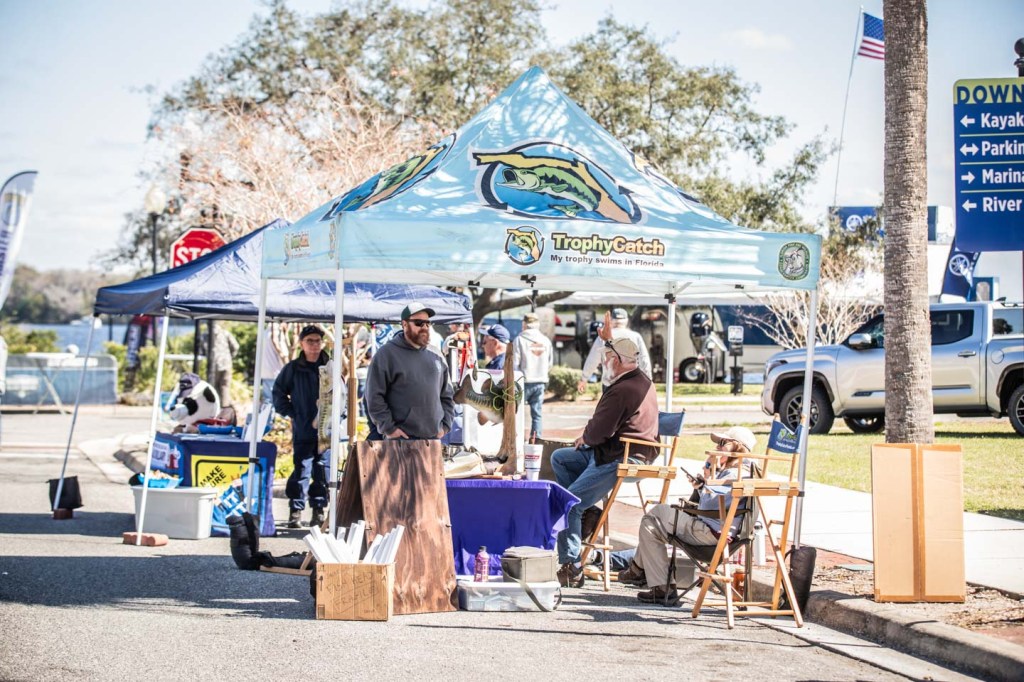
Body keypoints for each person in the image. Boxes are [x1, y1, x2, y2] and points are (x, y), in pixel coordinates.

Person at [551, 337, 659, 587]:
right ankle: (587, 509)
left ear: (618, 360)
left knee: (568, 503)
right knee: (561, 458)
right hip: (622, 451)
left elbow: (599, 430)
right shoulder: (640, 381)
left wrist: (585, 438)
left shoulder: (624, 388)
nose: (603, 362)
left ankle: (571, 566)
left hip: (620, 456)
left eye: (607, 357)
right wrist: (589, 439)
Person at [620, 426, 757, 605]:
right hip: (719, 533)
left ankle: (643, 573)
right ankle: (647, 577)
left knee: (656, 513)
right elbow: (717, 504)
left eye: (722, 443)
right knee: (650, 526)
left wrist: (708, 478)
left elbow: (709, 506)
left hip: (710, 533)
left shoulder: (733, 474)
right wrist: (703, 486)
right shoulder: (746, 472)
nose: (717, 447)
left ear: (737, 446)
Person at [365, 302, 455, 440]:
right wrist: (389, 429)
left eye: (427, 323)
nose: (424, 327)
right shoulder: (386, 355)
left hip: (432, 440)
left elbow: (447, 395)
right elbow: (374, 397)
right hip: (400, 441)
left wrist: (445, 426)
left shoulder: (436, 355)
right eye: (419, 323)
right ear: (404, 324)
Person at [273, 325, 330, 529]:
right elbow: (278, 393)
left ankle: (318, 510)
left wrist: (336, 417)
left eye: (317, 341)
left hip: (325, 430)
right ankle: (295, 511)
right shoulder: (293, 368)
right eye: (310, 341)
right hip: (303, 428)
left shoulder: (330, 366)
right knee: (301, 470)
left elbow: (342, 395)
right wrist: (293, 413)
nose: (314, 345)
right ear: (301, 344)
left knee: (322, 471)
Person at [577, 308, 651, 393]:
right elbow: (644, 360)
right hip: (631, 383)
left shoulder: (603, 337)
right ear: (626, 321)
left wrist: (584, 379)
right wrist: (648, 380)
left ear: (611, 321)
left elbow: (593, 359)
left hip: (610, 384)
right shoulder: (636, 337)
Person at [513, 312, 553, 441]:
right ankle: (536, 439)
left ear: (524, 324)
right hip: (540, 381)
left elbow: (515, 364)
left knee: (517, 412)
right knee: (537, 413)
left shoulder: (519, 340)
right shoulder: (546, 340)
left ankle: (517, 438)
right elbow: (550, 364)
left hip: (523, 381)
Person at [209, 324, 239, 411]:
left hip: (214, 364)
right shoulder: (225, 333)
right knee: (225, 387)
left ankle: (215, 409)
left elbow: (203, 348)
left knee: (214, 387)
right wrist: (230, 356)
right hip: (226, 363)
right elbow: (236, 346)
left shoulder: (207, 334)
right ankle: (225, 410)